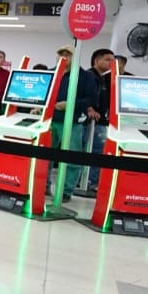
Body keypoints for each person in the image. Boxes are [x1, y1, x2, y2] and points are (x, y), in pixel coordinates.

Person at [48, 45, 97, 202]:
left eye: (67, 54)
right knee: (44, 157)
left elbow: (91, 98)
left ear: (75, 57)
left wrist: (70, 104)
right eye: (60, 53)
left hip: (72, 122)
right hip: (48, 121)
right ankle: (42, 186)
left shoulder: (85, 76)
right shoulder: (50, 72)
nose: (63, 56)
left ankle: (66, 191)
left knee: (71, 158)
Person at [83, 48, 116, 191]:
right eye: (108, 59)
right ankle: (89, 182)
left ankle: (89, 180)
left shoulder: (101, 78)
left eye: (112, 60)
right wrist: (90, 109)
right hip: (92, 122)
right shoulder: (90, 76)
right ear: (97, 60)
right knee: (95, 152)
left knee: (97, 151)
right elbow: (86, 95)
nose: (111, 63)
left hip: (101, 121)